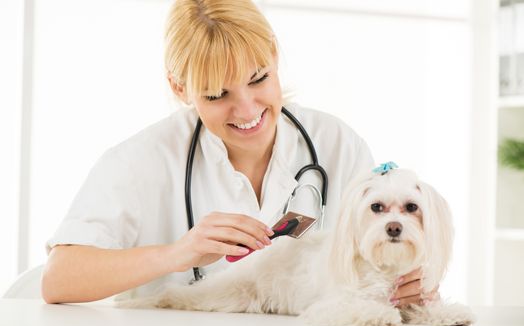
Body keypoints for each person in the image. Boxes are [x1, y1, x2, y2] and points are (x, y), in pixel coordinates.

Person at [42, 0, 438, 306]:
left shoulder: (336, 143)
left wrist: (410, 283)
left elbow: (378, 253)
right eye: (217, 95)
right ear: (180, 88)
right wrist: (177, 254)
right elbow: (58, 279)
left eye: (259, 78)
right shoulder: (141, 160)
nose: (247, 110)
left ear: (274, 55)